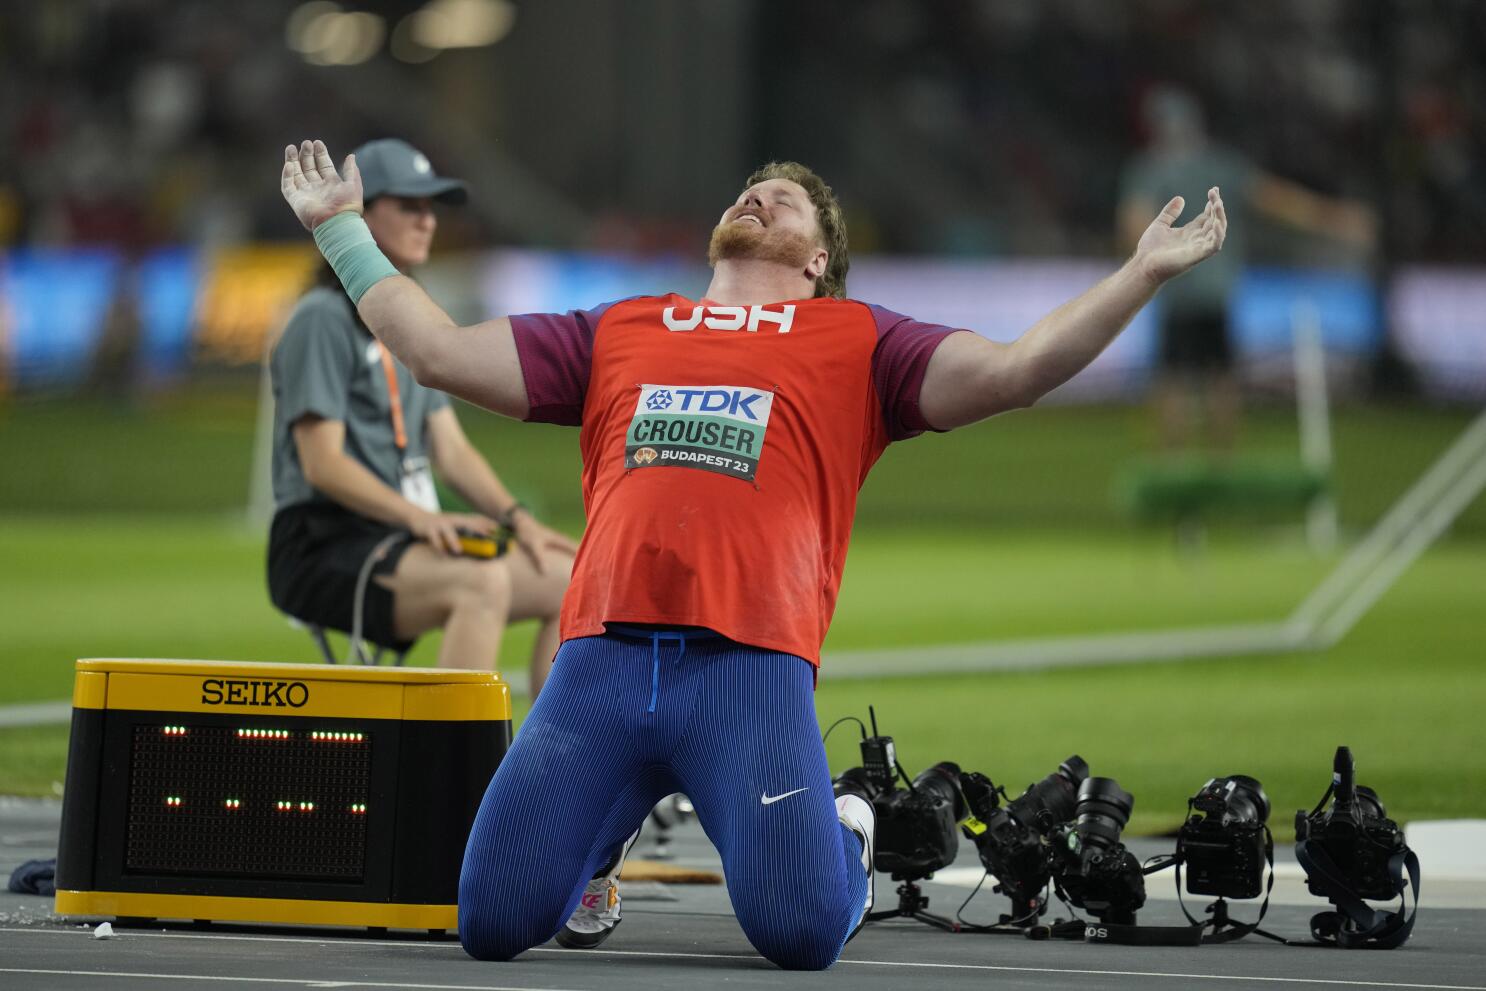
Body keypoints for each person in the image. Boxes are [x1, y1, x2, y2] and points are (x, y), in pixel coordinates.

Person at [279, 137, 1227, 970]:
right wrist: (339, 230)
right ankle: (600, 842)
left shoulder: (859, 341)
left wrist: (1138, 274)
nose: (758, 194)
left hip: (747, 670)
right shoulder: (622, 327)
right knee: (489, 921)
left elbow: (1020, 369)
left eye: (786, 197)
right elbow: (439, 352)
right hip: (600, 659)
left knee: (800, 935)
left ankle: (847, 828)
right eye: (750, 187)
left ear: (819, 257)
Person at [267, 138, 575, 695]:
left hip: (399, 538)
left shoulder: (406, 323)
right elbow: (322, 464)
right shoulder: (321, 317)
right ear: (361, 210)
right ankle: (448, 772)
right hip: (325, 542)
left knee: (574, 580)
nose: (428, 220)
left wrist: (517, 518)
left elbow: (451, 452)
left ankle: (554, 764)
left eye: (432, 207)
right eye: (410, 205)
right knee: (479, 583)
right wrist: (421, 520)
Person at [1118, 86, 1374, 453]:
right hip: (1216, 287)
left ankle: (1172, 463)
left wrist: (1142, 263)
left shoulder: (1149, 168)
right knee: (1220, 375)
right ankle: (1222, 461)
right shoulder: (1221, 164)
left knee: (1173, 376)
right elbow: (1276, 199)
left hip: (1175, 287)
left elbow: (1133, 220)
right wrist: (1335, 218)